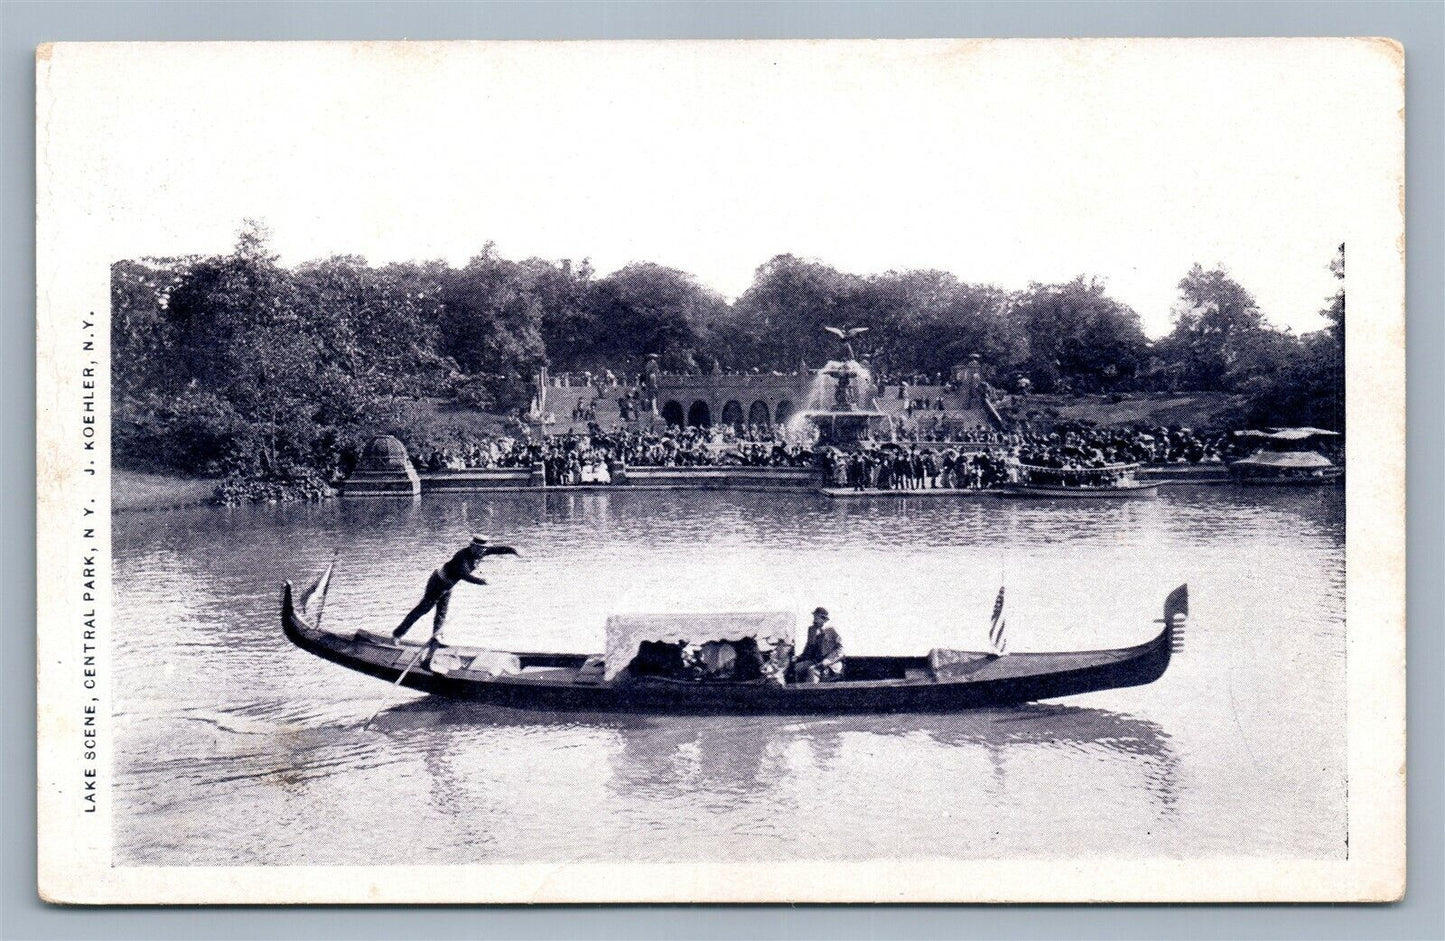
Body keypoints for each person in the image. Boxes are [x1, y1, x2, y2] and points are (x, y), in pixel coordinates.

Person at [393, 536, 518, 643]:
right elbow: (463, 575)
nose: (484, 551)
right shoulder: (461, 556)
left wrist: (513, 550)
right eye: (481, 549)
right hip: (437, 583)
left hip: (448, 585)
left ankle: (436, 638)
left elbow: (498, 549)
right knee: (422, 610)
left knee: (442, 613)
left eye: (485, 549)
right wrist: (481, 581)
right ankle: (397, 635)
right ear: (473, 547)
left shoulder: (482, 551)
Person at [791, 607, 844, 683]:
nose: (814, 619)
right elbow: (809, 648)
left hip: (831, 663)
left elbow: (840, 650)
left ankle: (812, 693)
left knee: (812, 670)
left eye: (817, 617)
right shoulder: (812, 630)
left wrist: (827, 661)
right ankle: (798, 691)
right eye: (814, 617)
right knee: (797, 668)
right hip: (816, 660)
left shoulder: (831, 630)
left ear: (824, 619)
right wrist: (799, 657)